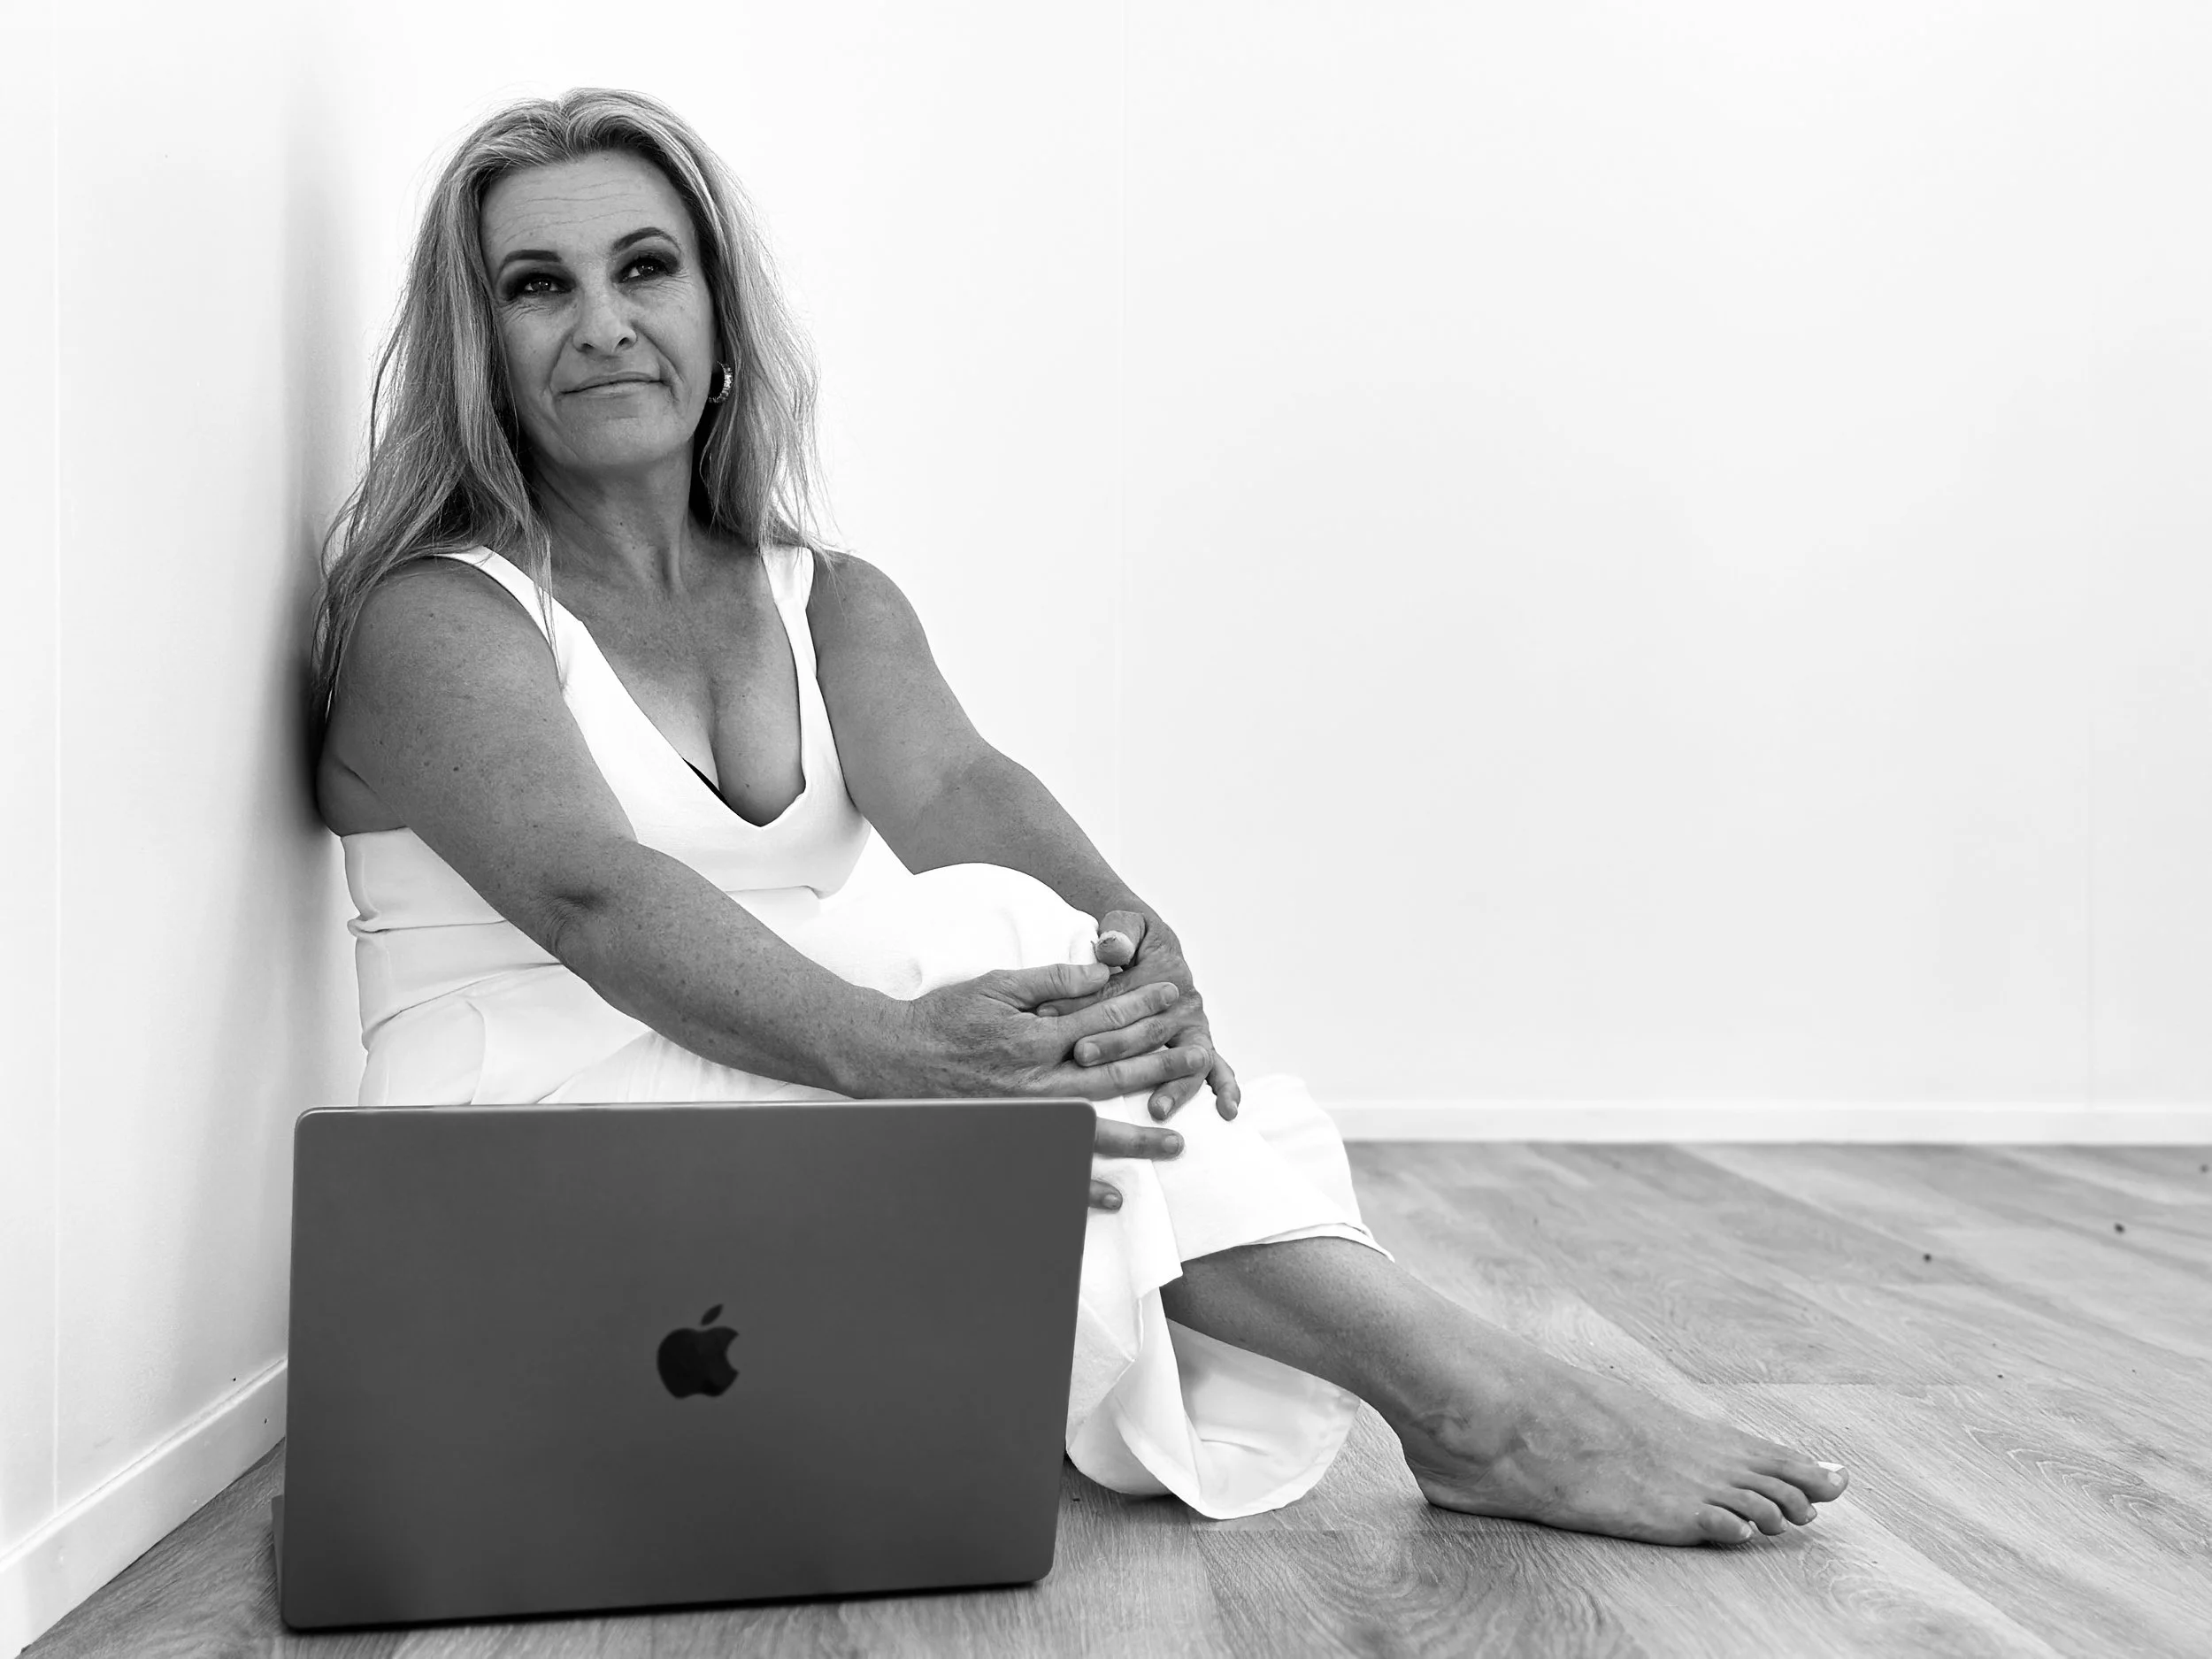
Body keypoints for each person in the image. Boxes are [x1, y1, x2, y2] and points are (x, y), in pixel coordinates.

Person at [311, 87, 1849, 1543]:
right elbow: (591, 896)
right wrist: (908, 1058)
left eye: (645, 266)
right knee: (971, 944)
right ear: (482, 347)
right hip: (521, 1152)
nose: (602, 323)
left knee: (1030, 931)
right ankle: (1475, 1400)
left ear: (717, 316)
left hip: (783, 1124)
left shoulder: (826, 598)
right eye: (536, 286)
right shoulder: (437, 618)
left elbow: (964, 790)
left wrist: (1145, 963)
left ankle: (1467, 1397)